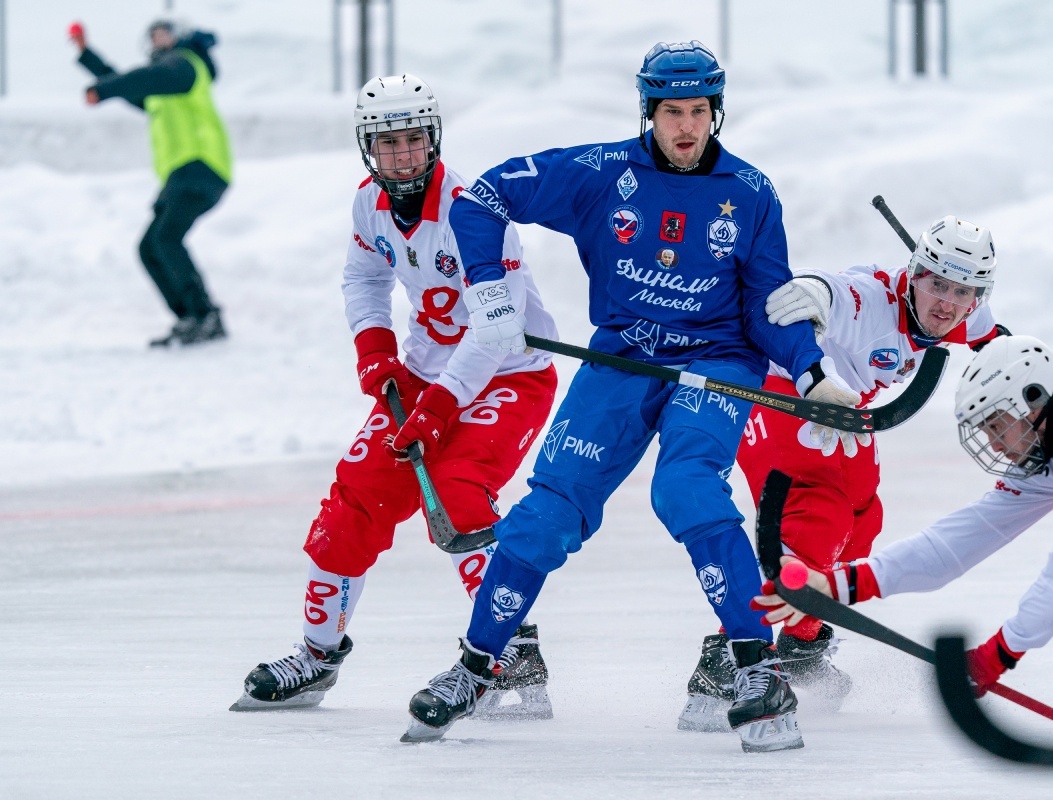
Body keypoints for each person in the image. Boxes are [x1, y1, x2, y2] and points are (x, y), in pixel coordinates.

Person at [400, 41, 828, 754]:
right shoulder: (601, 173)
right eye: (671, 112)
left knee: (687, 489)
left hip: (717, 363)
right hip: (622, 357)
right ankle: (479, 667)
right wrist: (487, 288)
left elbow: (764, 305)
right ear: (648, 113)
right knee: (545, 513)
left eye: (698, 112)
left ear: (715, 112)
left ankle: (759, 668)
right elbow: (482, 199)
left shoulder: (751, 192)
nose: (686, 127)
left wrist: (809, 371)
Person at [230, 75, 559, 719]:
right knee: (358, 491)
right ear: (367, 148)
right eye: (388, 143)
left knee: (460, 489)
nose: (402, 156)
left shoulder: (474, 213)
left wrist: (438, 410)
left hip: (509, 375)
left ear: (433, 141)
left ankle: (510, 650)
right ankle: (318, 652)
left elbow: (495, 327)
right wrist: (375, 349)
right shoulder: (369, 205)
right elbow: (363, 274)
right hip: (423, 375)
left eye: (414, 140)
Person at [757, 334, 1053, 787]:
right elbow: (962, 539)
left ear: (1032, 401)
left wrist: (995, 657)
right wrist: (840, 584)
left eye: (995, 424)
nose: (994, 442)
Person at [678, 216, 1006, 730]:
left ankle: (802, 643)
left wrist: (1006, 354)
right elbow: (830, 290)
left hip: (842, 410)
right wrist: (810, 290)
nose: (946, 302)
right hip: (774, 389)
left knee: (862, 519)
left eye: (962, 291)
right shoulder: (870, 299)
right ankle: (729, 658)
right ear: (915, 273)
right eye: (937, 283)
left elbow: (987, 331)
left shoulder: (961, 309)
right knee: (817, 518)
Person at [69, 17, 232, 347]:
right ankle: (190, 317)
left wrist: (103, 91)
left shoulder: (186, 66)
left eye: (164, 34)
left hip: (201, 167)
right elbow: (129, 83)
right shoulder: (161, 86)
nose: (158, 40)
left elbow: (146, 77)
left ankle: (206, 316)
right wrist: (87, 55)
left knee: (167, 238)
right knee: (149, 247)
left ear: (180, 37)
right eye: (153, 36)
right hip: (180, 175)